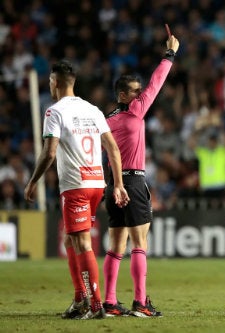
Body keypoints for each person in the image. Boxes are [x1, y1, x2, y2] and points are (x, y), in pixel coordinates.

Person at [24, 60, 129, 319]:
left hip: (75, 186)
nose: (49, 85)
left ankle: (94, 305)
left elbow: (49, 153)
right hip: (96, 183)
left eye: (49, 81)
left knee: (82, 242)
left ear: (55, 82)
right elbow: (113, 149)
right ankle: (80, 297)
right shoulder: (92, 109)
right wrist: (118, 184)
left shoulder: (54, 112)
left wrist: (33, 180)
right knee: (70, 238)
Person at [102, 28, 179, 317]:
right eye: (134, 90)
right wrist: (169, 54)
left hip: (113, 185)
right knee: (139, 244)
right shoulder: (135, 112)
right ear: (123, 95)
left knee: (115, 246)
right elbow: (157, 83)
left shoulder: (106, 120)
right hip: (132, 182)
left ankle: (109, 302)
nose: (140, 94)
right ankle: (140, 302)